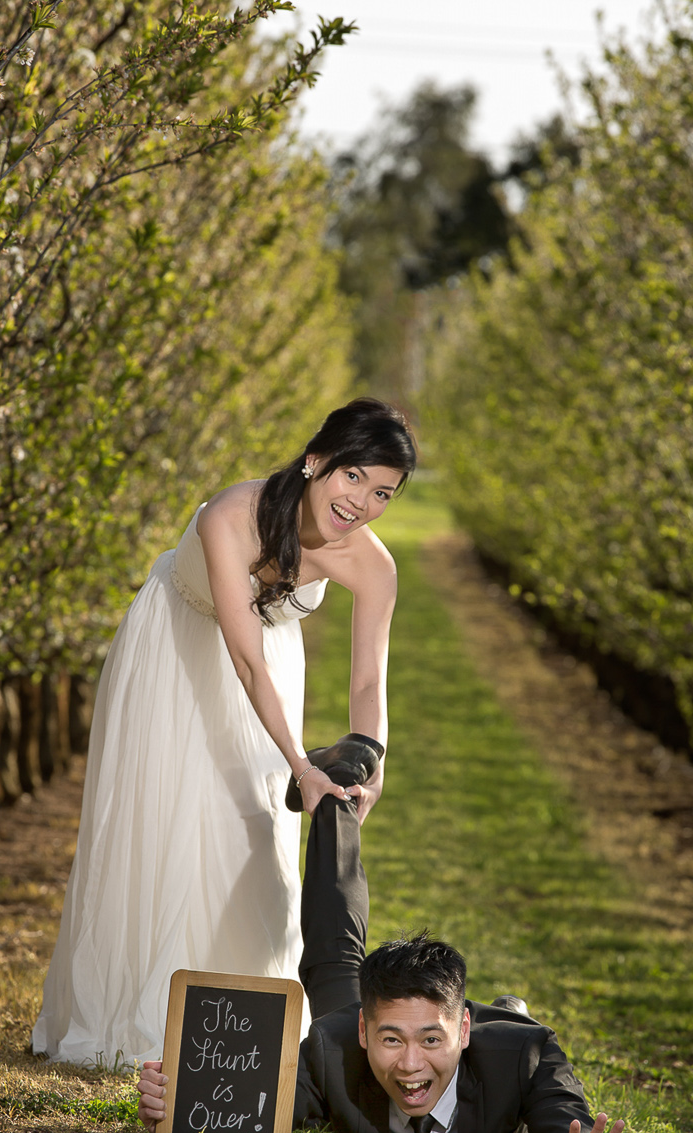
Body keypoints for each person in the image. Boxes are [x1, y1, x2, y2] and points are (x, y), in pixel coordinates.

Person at [34, 397, 418, 1067]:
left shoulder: (373, 565)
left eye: (382, 491)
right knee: (166, 819)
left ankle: (238, 1022)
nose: (361, 502)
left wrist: (372, 758)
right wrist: (300, 762)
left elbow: (366, 684)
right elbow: (242, 658)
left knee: (254, 825)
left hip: (271, 665)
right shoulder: (230, 518)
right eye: (352, 476)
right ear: (316, 460)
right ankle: (141, 1020)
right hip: (177, 650)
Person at [135, 790, 640, 1133]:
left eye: (430, 1041)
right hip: (376, 1019)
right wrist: (182, 1100)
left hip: (494, 1040)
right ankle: (334, 795)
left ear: (462, 1032)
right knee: (332, 958)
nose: (411, 1065)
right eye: (391, 1040)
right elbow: (258, 1103)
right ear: (363, 1030)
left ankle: (504, 1011)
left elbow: (566, 1132)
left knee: (507, 1023)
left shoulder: (526, 1058)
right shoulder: (334, 1047)